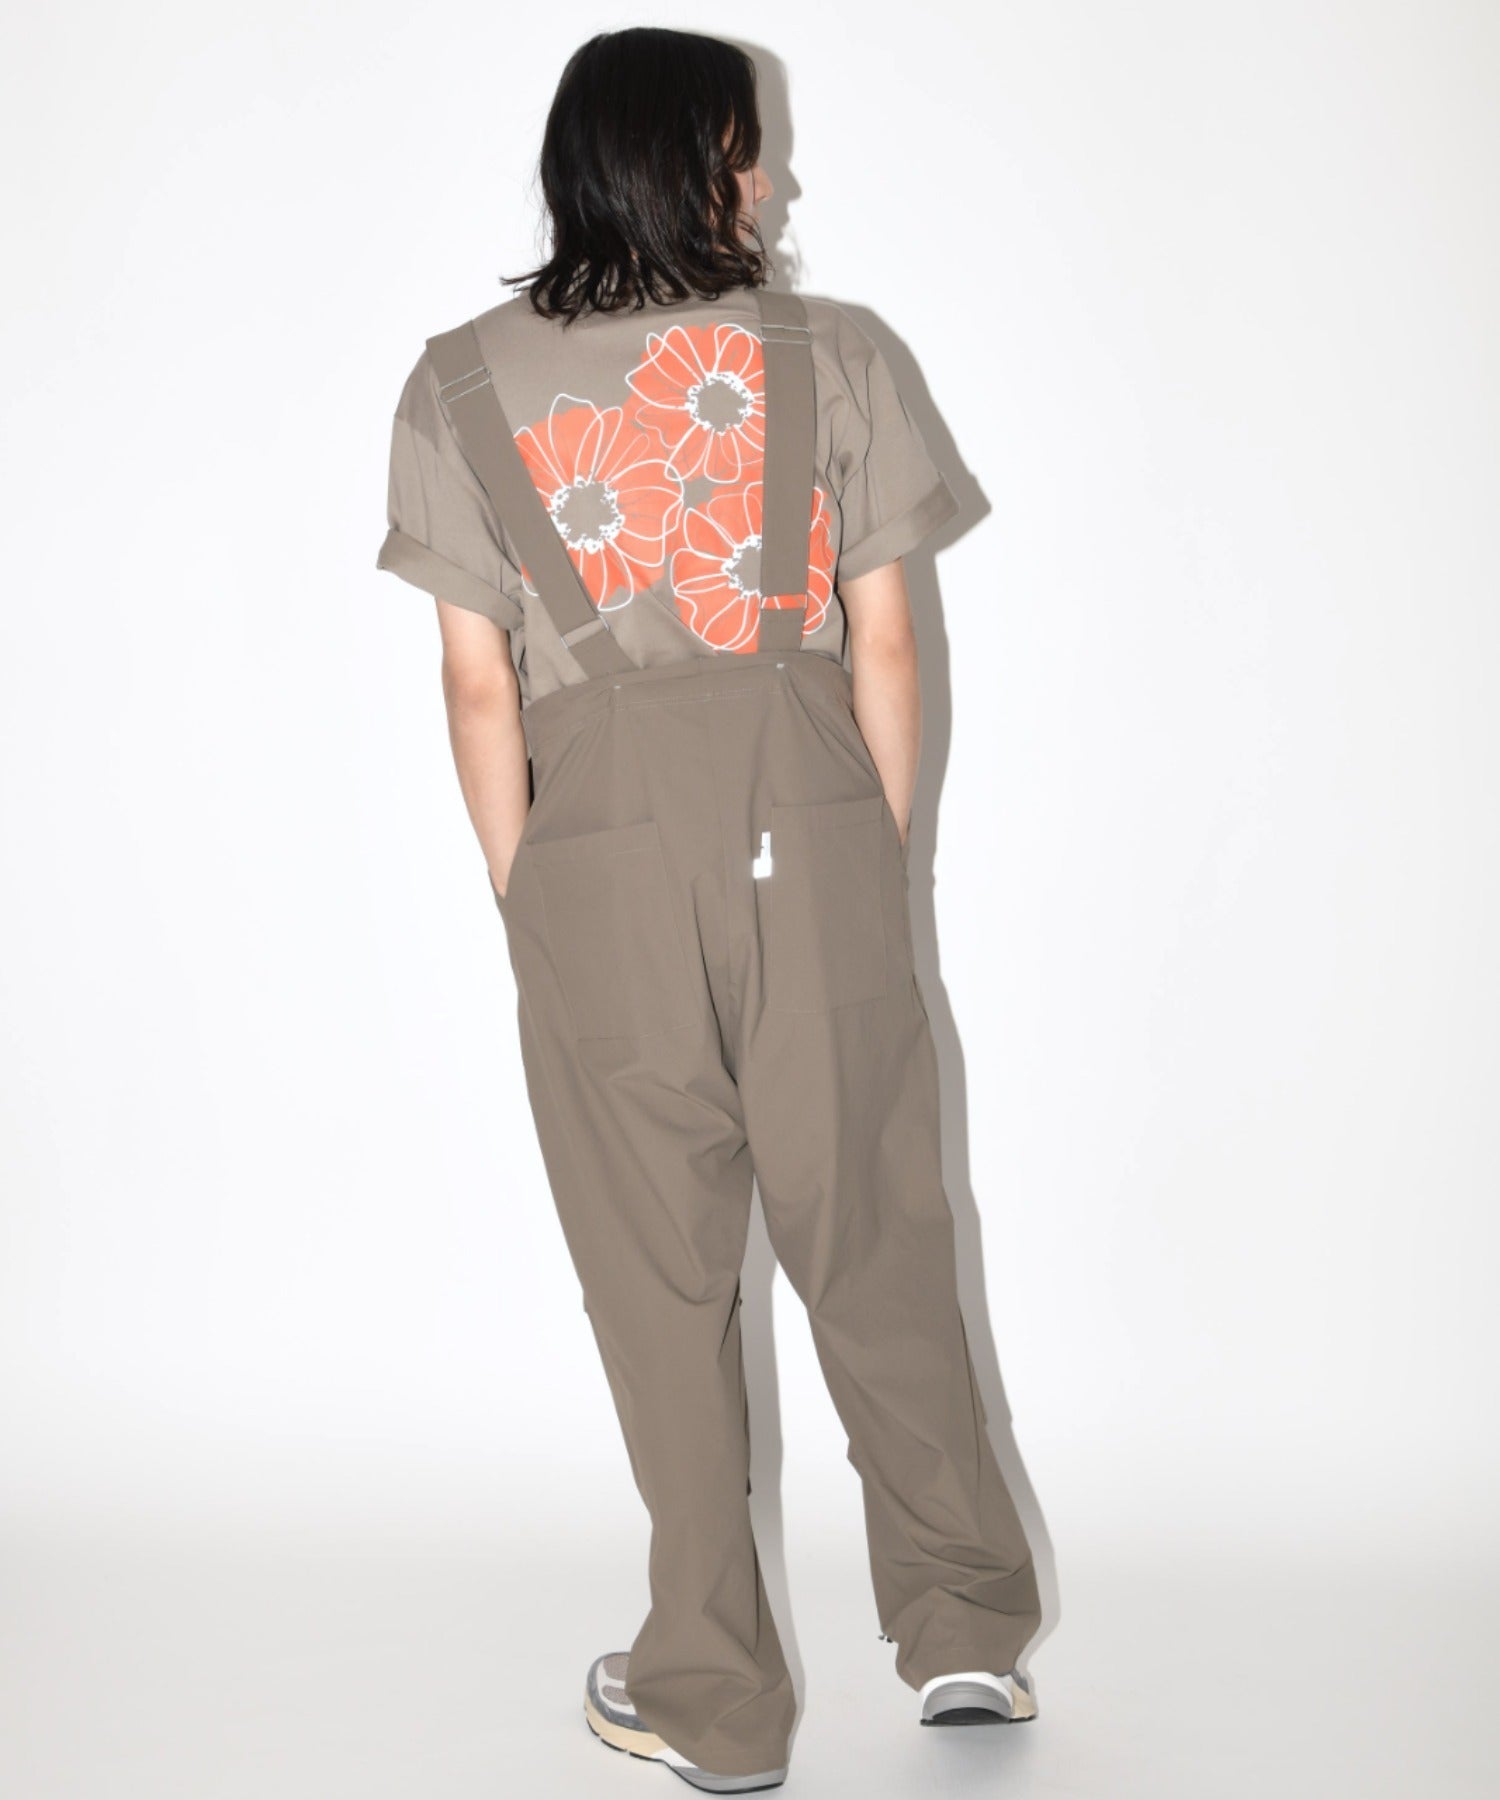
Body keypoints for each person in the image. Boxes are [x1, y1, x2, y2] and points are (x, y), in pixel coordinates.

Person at [375, 26, 1042, 1793]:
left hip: (592, 856)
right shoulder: (838, 355)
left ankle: (716, 1702)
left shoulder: (456, 385)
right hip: (811, 827)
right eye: (752, 149)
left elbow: (475, 685)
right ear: (682, 161)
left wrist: (532, 891)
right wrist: (867, 854)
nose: (775, 178)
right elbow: (887, 641)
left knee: (659, 1280)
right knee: (878, 1234)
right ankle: (966, 1632)